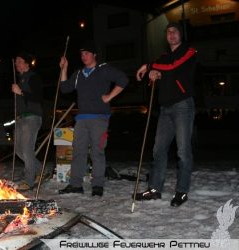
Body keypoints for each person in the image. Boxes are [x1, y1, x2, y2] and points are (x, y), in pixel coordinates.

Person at [134, 23, 197, 207]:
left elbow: (173, 65)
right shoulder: (162, 57)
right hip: (165, 108)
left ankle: (182, 191)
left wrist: (149, 65)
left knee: (183, 151)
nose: (171, 34)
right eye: (168, 32)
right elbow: (164, 69)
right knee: (158, 150)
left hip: (183, 106)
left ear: (180, 35)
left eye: (175, 31)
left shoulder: (189, 51)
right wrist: (154, 74)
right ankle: (154, 189)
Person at [58, 40, 129, 197]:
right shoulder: (78, 74)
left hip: (99, 118)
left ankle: (97, 185)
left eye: (87, 53)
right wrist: (64, 68)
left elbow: (123, 79)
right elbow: (64, 88)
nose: (84, 56)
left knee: (97, 152)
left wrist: (109, 96)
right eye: (82, 54)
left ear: (94, 54)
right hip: (81, 119)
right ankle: (76, 185)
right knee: (78, 152)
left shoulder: (103, 69)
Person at [11, 52, 43, 191]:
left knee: (27, 149)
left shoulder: (33, 77)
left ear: (26, 63)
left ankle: (29, 181)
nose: (16, 63)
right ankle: (40, 170)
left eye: (19, 61)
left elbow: (38, 97)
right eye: (16, 61)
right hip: (20, 118)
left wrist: (21, 92)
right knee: (18, 150)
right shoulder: (21, 79)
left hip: (32, 117)